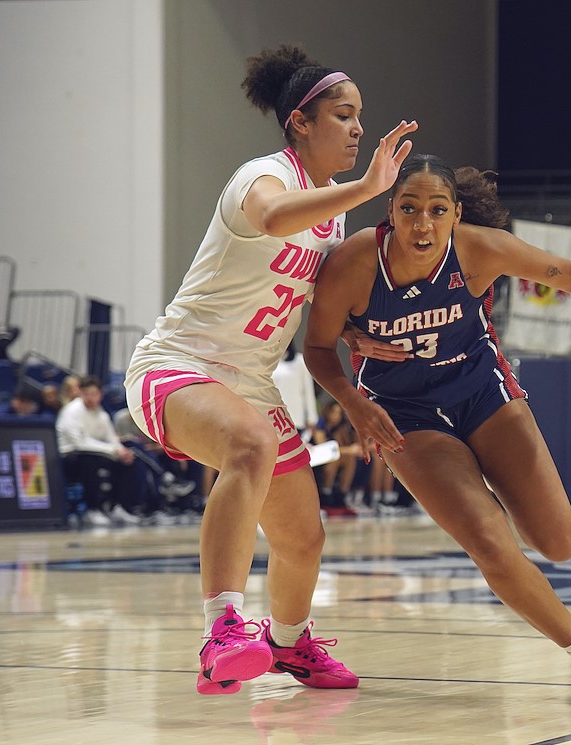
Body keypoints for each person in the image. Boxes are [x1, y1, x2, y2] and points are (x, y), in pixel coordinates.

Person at [302, 154, 571, 705]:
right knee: (490, 541)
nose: (423, 223)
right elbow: (315, 348)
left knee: (558, 541)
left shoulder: (480, 249)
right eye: (409, 208)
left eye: (437, 210)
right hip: (403, 410)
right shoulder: (354, 262)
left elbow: (570, 274)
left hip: (480, 390)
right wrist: (353, 404)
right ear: (390, 211)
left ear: (456, 215)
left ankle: (492, 490)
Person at [122, 44, 417, 695]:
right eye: (344, 115)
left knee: (303, 536)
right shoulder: (263, 176)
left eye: (360, 116)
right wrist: (369, 188)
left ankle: (288, 644)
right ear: (300, 123)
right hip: (178, 364)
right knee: (250, 444)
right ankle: (223, 630)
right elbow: (273, 218)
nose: (359, 129)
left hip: (250, 383)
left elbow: (315, 304)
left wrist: (355, 335)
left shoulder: (333, 212)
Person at [56, 375, 141, 527]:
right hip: (69, 456)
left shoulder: (102, 413)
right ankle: (92, 509)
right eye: (86, 394)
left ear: (100, 395)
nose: (90, 398)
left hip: (96, 453)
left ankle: (118, 507)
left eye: (93, 394)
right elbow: (80, 443)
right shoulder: (72, 411)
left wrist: (122, 451)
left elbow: (111, 438)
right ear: (81, 393)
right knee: (91, 461)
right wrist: (113, 450)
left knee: (127, 462)